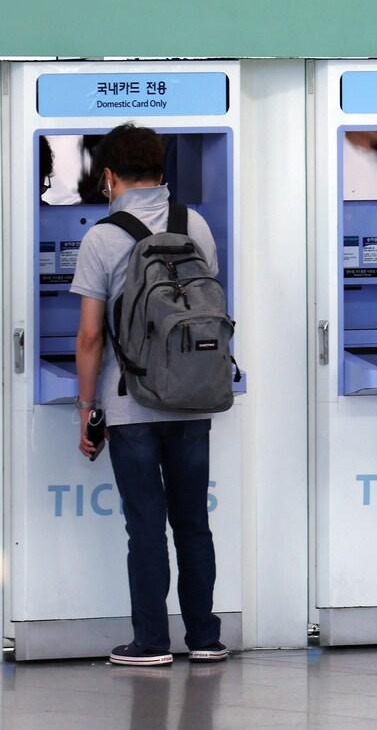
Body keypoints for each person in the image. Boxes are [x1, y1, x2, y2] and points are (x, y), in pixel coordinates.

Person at [71, 124, 227, 666]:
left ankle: (151, 642)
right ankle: (205, 637)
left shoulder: (102, 238)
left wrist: (86, 407)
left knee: (146, 524)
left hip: (130, 401)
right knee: (192, 522)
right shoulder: (198, 227)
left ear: (109, 176)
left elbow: (90, 336)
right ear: (162, 172)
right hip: (193, 399)